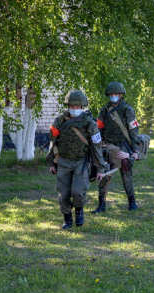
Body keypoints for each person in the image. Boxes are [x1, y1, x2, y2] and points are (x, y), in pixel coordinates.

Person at [46, 90, 106, 229]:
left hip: (81, 162)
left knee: (78, 192)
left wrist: (100, 168)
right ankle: (67, 218)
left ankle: (79, 211)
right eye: (72, 107)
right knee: (63, 192)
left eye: (77, 107)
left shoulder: (90, 123)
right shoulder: (59, 121)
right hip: (64, 162)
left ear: (82, 107)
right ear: (67, 106)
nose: (74, 109)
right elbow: (52, 143)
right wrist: (51, 163)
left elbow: (96, 147)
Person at [92, 82, 140, 213]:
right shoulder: (104, 110)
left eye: (116, 94)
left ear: (120, 95)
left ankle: (132, 202)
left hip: (123, 146)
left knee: (126, 174)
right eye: (111, 95)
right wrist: (98, 146)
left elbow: (134, 131)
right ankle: (101, 204)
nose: (113, 97)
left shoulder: (128, 110)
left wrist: (135, 151)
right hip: (108, 145)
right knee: (104, 173)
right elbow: (98, 129)